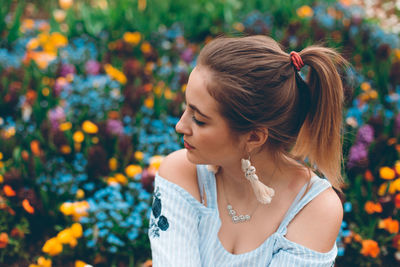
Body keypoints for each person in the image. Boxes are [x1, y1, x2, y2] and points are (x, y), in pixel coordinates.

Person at [148, 35, 346, 266]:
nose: (180, 126)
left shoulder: (314, 209)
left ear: (254, 137)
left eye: (199, 119)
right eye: (186, 108)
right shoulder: (183, 173)